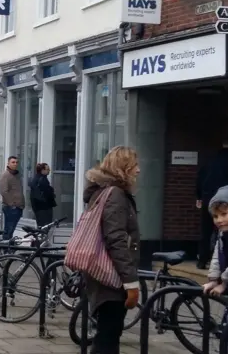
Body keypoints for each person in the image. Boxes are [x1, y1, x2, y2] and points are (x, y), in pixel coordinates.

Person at [82, 146, 140, 353]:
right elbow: (115, 239)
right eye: (134, 165)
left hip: (103, 271)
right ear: (123, 168)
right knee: (108, 335)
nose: (138, 170)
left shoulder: (105, 192)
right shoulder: (115, 194)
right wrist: (130, 282)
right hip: (109, 274)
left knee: (108, 333)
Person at [196, 140, 228, 269]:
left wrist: (199, 196)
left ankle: (202, 259)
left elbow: (200, 177)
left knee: (206, 231)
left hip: (209, 198)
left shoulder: (210, 160)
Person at [203, 185, 228, 298]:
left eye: (224, 214)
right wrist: (214, 279)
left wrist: (224, 284)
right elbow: (217, 256)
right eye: (215, 216)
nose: (219, 220)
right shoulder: (223, 233)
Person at [0, 156, 24, 240]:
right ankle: (5, 249)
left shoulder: (17, 175)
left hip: (18, 207)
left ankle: (8, 247)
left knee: (11, 230)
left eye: (16, 162)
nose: (15, 164)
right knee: (8, 230)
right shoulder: (5, 175)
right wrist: (12, 205)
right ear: (8, 163)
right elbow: (4, 191)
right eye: (13, 162)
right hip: (10, 208)